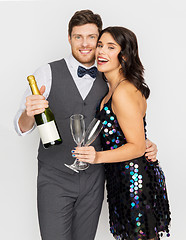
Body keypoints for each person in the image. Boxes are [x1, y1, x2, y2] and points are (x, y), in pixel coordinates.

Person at [14, 10, 158, 240]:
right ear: (69, 38)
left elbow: (125, 122)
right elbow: (21, 127)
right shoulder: (46, 73)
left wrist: (143, 143)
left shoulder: (109, 77)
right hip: (54, 180)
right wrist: (29, 114)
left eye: (92, 37)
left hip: (95, 181)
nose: (85, 44)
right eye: (78, 36)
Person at [73, 26, 171, 239]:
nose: (101, 52)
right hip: (121, 179)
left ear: (124, 56)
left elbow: (135, 146)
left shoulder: (123, 91)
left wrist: (97, 157)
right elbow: (130, 135)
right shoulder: (113, 90)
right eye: (100, 45)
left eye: (110, 47)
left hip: (134, 181)